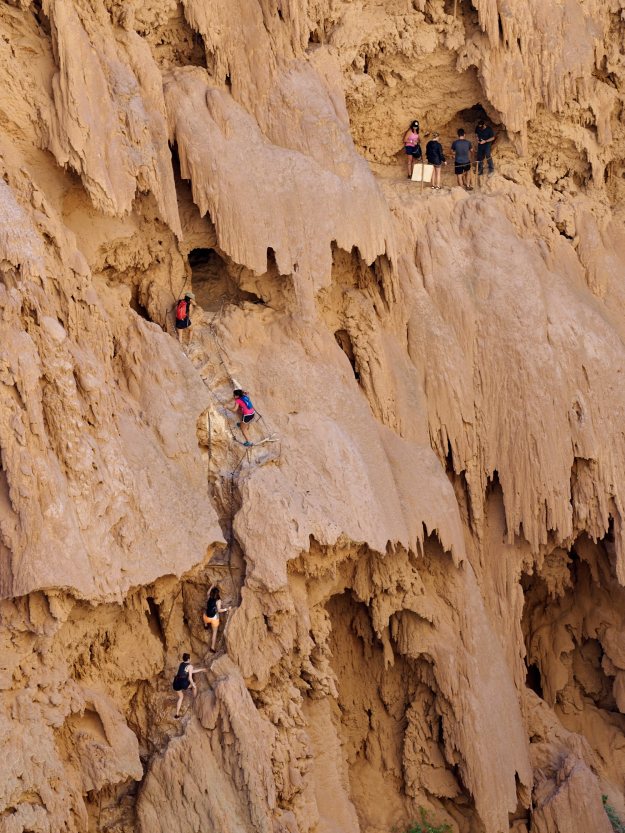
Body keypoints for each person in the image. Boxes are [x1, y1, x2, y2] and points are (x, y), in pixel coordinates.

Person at [172, 652, 207, 718]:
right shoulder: (190, 666)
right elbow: (190, 677)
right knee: (194, 686)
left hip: (176, 682)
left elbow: (190, 671)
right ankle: (195, 700)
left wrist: (201, 669)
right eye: (190, 657)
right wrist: (193, 685)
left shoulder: (181, 664)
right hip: (183, 683)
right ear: (189, 659)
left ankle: (177, 714)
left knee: (181, 697)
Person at [203, 586, 232, 652]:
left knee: (204, 611)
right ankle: (212, 647)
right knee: (214, 632)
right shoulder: (218, 601)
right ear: (218, 593)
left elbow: (207, 593)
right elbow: (218, 610)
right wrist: (226, 609)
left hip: (207, 618)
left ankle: (206, 625)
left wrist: (211, 586)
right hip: (214, 619)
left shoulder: (209, 597)